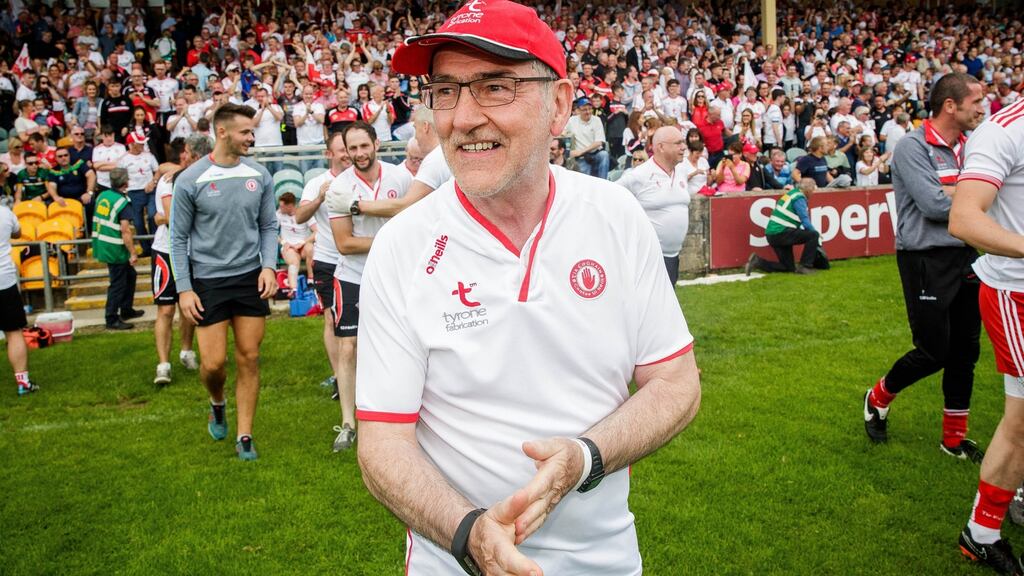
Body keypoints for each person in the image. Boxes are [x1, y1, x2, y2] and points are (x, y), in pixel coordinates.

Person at [353, 2, 701, 573]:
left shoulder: (614, 215)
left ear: (558, 105)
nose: (461, 117)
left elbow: (675, 381)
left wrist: (585, 458)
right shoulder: (404, 246)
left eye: (495, 86)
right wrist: (471, 535)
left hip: (606, 561)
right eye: (444, 89)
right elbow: (384, 443)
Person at [862, 73, 987, 460]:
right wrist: (973, 194)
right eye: (976, 101)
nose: (983, 108)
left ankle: (953, 439)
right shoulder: (912, 146)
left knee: (966, 350)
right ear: (951, 105)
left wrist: (956, 192)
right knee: (934, 350)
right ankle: (879, 395)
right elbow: (934, 205)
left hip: (968, 253)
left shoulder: (972, 145)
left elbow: (968, 195)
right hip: (925, 258)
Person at [170, 103, 278, 462]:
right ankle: (217, 402)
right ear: (223, 132)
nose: (252, 137)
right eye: (246, 131)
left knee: (249, 357)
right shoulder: (190, 180)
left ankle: (244, 435)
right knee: (213, 364)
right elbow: (178, 238)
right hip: (208, 282)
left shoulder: (260, 175)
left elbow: (268, 226)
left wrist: (268, 266)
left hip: (250, 277)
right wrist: (184, 288)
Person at [948, 90, 1024, 575]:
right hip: (1016, 293)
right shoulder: (1003, 130)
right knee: (1021, 420)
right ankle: (981, 532)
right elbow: (964, 217)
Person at [324, 121, 411, 451]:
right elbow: (345, 244)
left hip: (394, 275)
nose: (359, 154)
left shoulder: (400, 177)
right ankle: (348, 422)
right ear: (345, 150)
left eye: (364, 146)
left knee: (400, 343)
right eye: (352, 148)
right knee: (349, 347)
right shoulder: (339, 188)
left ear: (376, 143)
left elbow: (414, 222)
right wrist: (391, 240)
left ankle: (399, 411)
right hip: (353, 276)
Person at [296, 132, 349, 397]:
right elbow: (300, 216)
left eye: (349, 148)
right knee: (331, 318)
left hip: (360, 257)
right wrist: (319, 197)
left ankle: (360, 374)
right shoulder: (318, 182)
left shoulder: (363, 178)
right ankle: (340, 376)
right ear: (329, 154)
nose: (347, 154)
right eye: (341, 150)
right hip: (328, 260)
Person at [150, 136, 205, 386]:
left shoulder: (198, 178)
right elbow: (174, 219)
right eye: (189, 155)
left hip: (193, 251)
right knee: (165, 309)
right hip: (166, 251)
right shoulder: (168, 180)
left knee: (189, 307)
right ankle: (163, 364)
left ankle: (186, 351)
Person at [617, 126, 691, 285]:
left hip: (673, 257)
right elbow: (612, 197)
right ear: (661, 147)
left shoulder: (682, 170)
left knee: (668, 305)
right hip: (647, 258)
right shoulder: (639, 175)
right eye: (678, 143)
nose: (683, 147)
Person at [91, 167, 143, 330]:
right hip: (115, 247)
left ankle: (126, 309)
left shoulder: (103, 195)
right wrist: (133, 252)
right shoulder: (123, 202)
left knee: (130, 276)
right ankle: (111, 317)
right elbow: (125, 230)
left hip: (103, 242)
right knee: (118, 283)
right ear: (126, 182)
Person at [745, 178, 822, 275]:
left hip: (773, 234)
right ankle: (805, 266)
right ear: (808, 190)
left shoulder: (792, 194)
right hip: (781, 232)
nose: (813, 193)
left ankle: (757, 262)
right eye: (813, 190)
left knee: (788, 267)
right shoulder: (799, 198)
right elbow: (805, 220)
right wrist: (817, 235)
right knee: (813, 235)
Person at [0, 203, 37, 395]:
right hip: (4, 281)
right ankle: (23, 382)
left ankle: (24, 382)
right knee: (13, 332)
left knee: (14, 332)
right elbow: (17, 232)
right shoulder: (5, 213)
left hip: (4, 280)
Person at [117, 132, 159, 256]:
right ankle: (146, 249)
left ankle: (155, 245)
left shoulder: (149, 155)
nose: (142, 144)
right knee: (138, 222)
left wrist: (153, 182)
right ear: (132, 144)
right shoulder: (124, 159)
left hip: (150, 190)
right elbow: (121, 176)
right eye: (140, 143)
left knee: (152, 216)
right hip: (133, 192)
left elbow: (157, 170)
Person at [275, 192, 315, 297]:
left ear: (290, 206)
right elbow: (271, 231)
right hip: (288, 247)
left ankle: (311, 281)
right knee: (293, 261)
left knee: (311, 248)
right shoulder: (279, 214)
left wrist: (302, 243)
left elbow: (317, 232)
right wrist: (284, 242)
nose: (280, 208)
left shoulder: (304, 213)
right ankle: (294, 290)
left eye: (282, 206)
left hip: (303, 245)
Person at [564, 97, 610, 179]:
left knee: (604, 155)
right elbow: (563, 134)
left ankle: (603, 183)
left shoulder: (597, 120)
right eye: (585, 109)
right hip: (581, 157)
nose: (588, 112)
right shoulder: (572, 120)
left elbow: (599, 142)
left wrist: (580, 151)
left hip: (594, 153)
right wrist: (568, 151)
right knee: (584, 178)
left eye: (590, 109)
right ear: (578, 110)